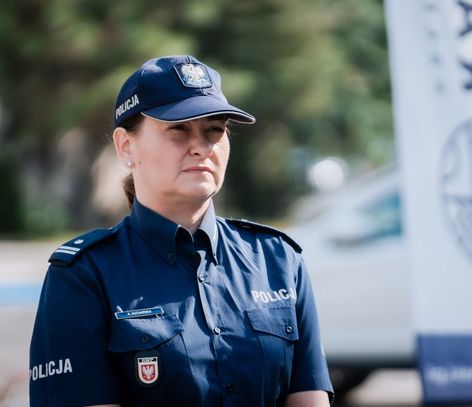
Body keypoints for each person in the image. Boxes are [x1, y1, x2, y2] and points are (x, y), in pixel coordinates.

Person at [29, 55, 334, 407]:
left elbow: (309, 397)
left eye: (214, 130)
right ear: (126, 146)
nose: (201, 147)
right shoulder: (84, 274)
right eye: (178, 129)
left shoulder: (278, 260)